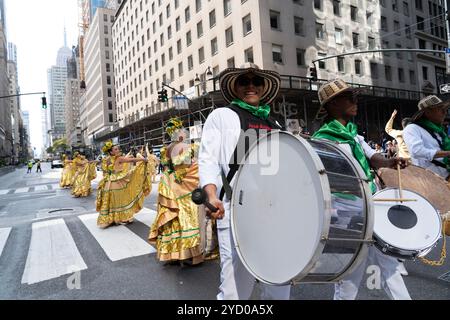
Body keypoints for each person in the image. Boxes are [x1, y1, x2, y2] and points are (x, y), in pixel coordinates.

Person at [198, 63, 290, 300]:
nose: (251, 86)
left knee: (279, 276)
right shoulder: (222, 116)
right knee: (236, 286)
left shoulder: (276, 122)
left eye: (256, 81)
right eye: (244, 82)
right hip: (235, 208)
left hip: (274, 210)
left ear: (263, 87)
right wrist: (211, 195)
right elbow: (208, 159)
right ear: (235, 87)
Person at [313, 79, 411, 300]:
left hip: (371, 203)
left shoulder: (353, 134)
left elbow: (373, 157)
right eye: (350, 98)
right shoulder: (322, 140)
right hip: (346, 212)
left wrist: (390, 162)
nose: (355, 102)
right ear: (333, 104)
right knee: (350, 275)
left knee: (389, 263)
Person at [148, 118, 204, 265]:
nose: (184, 133)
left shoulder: (166, 148)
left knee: (175, 218)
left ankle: (174, 253)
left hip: (171, 183)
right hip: (185, 183)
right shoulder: (184, 147)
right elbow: (186, 166)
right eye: (183, 131)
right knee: (188, 215)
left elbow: (167, 169)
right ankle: (189, 254)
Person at [96, 141, 156, 228]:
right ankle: (120, 218)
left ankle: (111, 218)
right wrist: (143, 159)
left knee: (112, 202)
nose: (118, 150)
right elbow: (130, 160)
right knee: (121, 201)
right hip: (117, 183)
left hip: (108, 183)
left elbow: (105, 171)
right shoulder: (118, 158)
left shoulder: (106, 159)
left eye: (117, 149)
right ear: (111, 152)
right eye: (115, 149)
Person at [403, 95, 450, 181]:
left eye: (445, 110)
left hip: (446, 177)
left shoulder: (440, 131)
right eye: (441, 109)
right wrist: (447, 153)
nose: (445, 112)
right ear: (428, 112)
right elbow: (416, 151)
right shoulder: (412, 128)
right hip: (430, 181)